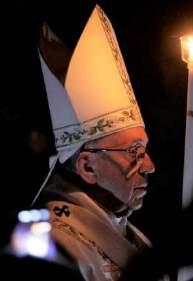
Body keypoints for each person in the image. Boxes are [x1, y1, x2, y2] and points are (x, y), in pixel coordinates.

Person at [34, 5, 155, 281]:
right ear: (87, 166)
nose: (149, 166)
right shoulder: (57, 246)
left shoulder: (136, 239)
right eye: (134, 152)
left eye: (145, 150)